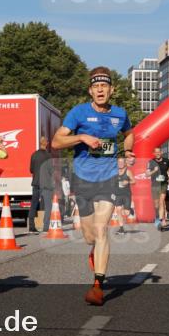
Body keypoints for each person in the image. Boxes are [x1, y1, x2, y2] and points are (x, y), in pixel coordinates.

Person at [52, 67, 133, 306]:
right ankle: (94, 251)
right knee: (89, 236)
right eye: (96, 86)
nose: (100, 89)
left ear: (111, 90)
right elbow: (57, 141)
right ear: (90, 91)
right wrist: (81, 138)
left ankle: (98, 285)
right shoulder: (78, 113)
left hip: (108, 178)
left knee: (101, 229)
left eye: (104, 86)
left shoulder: (120, 114)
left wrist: (128, 150)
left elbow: (130, 133)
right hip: (83, 178)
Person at [27, 136, 52, 233]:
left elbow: (31, 170)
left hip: (36, 183)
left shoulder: (34, 155)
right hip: (46, 184)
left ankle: (31, 227)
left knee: (33, 204)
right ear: (47, 143)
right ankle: (46, 227)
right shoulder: (49, 156)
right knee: (48, 205)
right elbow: (51, 171)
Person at [147, 147, 168, 229]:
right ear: (154, 153)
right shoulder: (151, 162)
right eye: (156, 152)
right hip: (155, 184)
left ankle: (161, 219)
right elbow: (147, 174)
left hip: (163, 183)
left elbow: (168, 170)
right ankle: (156, 217)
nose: (157, 153)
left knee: (161, 200)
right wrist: (154, 171)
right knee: (156, 204)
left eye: (159, 152)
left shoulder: (166, 161)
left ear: (161, 152)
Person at [115, 157, 133, 234]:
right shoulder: (115, 172)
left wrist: (128, 182)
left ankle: (130, 210)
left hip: (126, 194)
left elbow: (134, 181)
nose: (120, 164)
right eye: (119, 162)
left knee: (127, 213)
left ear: (125, 163)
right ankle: (121, 228)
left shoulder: (128, 172)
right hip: (118, 194)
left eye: (122, 162)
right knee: (118, 210)